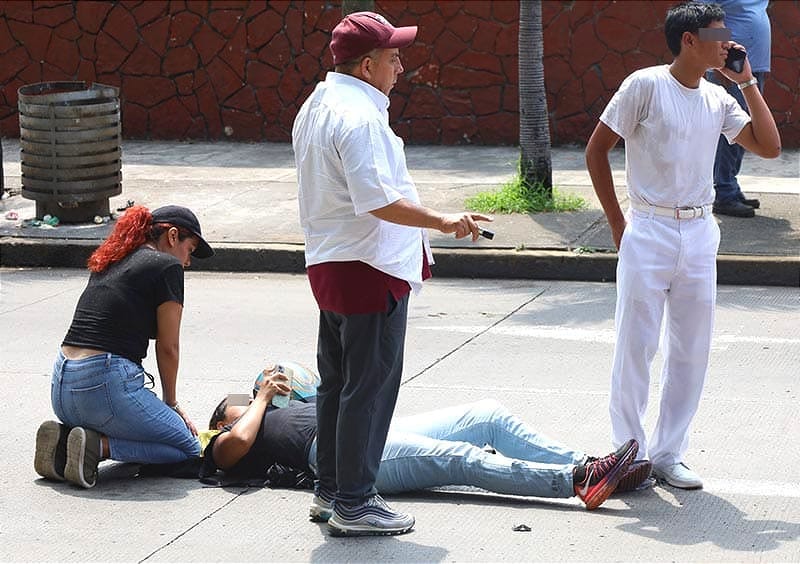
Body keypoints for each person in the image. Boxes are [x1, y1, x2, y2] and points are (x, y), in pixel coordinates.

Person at [291, 12, 491, 536]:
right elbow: (379, 200)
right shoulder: (357, 118)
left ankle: (332, 491)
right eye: (393, 56)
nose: (401, 65)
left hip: (334, 261)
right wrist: (444, 220)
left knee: (338, 385)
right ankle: (354, 503)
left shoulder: (317, 104)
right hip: (368, 265)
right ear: (366, 64)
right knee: (369, 388)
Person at [585, 2, 780, 489]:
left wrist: (748, 83)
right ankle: (627, 453)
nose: (728, 43)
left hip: (698, 232)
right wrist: (617, 222)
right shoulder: (644, 85)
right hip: (647, 227)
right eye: (718, 34)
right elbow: (596, 150)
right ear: (689, 39)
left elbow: (770, 146)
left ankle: (669, 453)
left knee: (691, 349)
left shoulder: (718, 98)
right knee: (636, 346)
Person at [203, 368, 646, 534]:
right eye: (238, 401)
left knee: (485, 415)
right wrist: (258, 400)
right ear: (225, 418)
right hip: (344, 455)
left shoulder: (289, 406)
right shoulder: (236, 438)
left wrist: (290, 386)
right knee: (462, 459)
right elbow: (232, 448)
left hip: (371, 431)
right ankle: (576, 482)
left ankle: (587, 465)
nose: (254, 393)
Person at [33, 205, 214, 489]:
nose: (187, 262)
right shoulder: (167, 267)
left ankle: (65, 443)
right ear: (173, 236)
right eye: (189, 250)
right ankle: (99, 447)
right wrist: (171, 404)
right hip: (102, 388)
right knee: (187, 446)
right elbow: (168, 347)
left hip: (61, 390)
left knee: (157, 429)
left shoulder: (113, 258)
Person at [702, 0, 771, 217]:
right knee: (730, 130)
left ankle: (730, 185)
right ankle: (723, 193)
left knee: (746, 127)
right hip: (729, 67)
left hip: (753, 64)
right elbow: (702, 21)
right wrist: (717, 65)